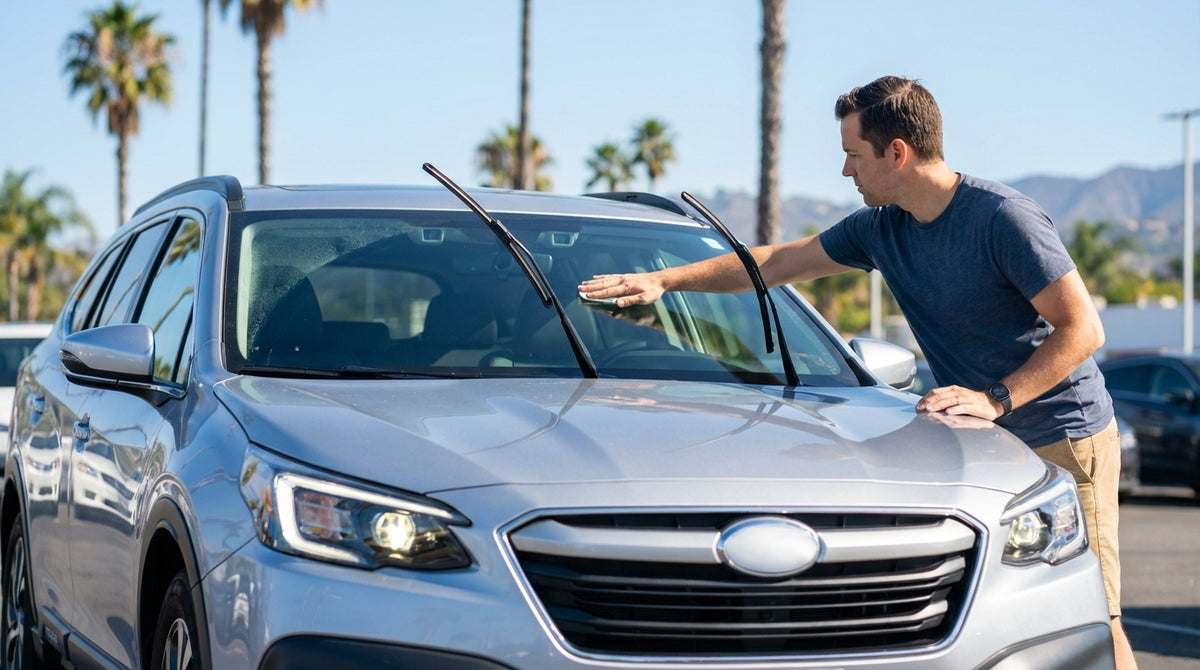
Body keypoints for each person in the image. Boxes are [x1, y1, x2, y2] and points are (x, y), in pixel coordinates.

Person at [578, 75, 1137, 669]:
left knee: (1092, 614)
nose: (846, 171)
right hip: (980, 445)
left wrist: (995, 398)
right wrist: (664, 281)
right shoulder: (881, 229)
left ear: (897, 152)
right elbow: (778, 262)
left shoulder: (1003, 219)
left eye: (853, 155)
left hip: (1063, 438)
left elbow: (1083, 329)